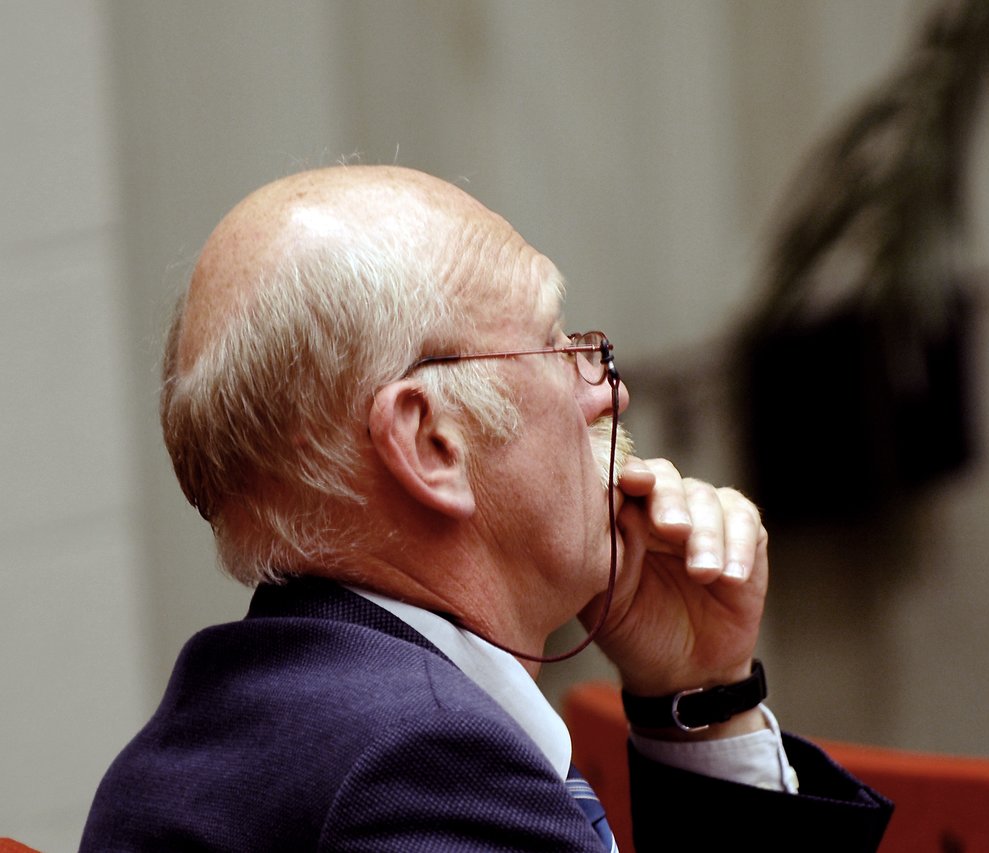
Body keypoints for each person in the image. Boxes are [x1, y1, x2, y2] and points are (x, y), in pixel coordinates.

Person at [80, 165, 892, 851]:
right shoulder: (422, 763)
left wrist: (700, 699)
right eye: (562, 345)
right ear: (432, 443)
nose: (608, 388)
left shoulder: (226, 723)